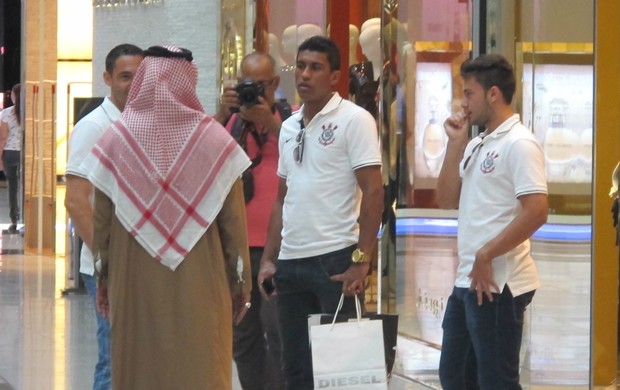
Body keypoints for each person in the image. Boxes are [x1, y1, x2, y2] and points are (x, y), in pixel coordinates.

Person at [86, 45, 252, 390]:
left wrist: (103, 278)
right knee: (201, 364)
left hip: (132, 282)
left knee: (138, 367)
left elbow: (101, 226)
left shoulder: (116, 140)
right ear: (187, 81)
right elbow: (234, 225)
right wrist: (241, 283)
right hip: (203, 283)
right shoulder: (214, 141)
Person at [257, 36, 384, 390]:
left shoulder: (354, 120)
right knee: (295, 371)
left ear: (334, 77)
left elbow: (374, 192)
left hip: (335, 262)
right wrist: (269, 258)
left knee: (340, 374)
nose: (305, 74)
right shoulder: (288, 126)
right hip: (291, 261)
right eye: (300, 66)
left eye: (315, 67)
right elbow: (282, 198)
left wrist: (361, 259)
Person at [436, 54, 548, 389]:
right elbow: (445, 200)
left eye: (469, 93)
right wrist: (455, 145)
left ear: (493, 94)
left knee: (496, 381)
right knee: (454, 375)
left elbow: (537, 210)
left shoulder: (520, 143)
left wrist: (487, 254)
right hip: (468, 280)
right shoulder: (476, 144)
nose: (463, 103)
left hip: (500, 284)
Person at [64, 43, 143, 390]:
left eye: (140, 76)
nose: (133, 84)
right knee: (113, 361)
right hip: (108, 268)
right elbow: (76, 202)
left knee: (139, 361)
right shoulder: (94, 127)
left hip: (143, 264)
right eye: (125, 76)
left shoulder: (145, 124)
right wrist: (106, 262)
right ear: (108, 78)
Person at [216, 51, 288, 390]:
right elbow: (204, 156)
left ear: (274, 83)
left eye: (261, 85)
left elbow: (307, 151)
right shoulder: (233, 123)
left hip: (279, 246)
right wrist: (222, 111)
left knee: (276, 331)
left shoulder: (291, 120)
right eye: (247, 85)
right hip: (240, 246)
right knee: (242, 332)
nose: (254, 93)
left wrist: (271, 123)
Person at [0, 83, 23, 233]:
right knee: (25, 187)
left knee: (12, 187)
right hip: (24, 153)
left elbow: (3, 138)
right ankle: (28, 219)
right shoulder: (29, 113)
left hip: (9, 153)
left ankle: (14, 220)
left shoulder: (6, 113)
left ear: (14, 96)